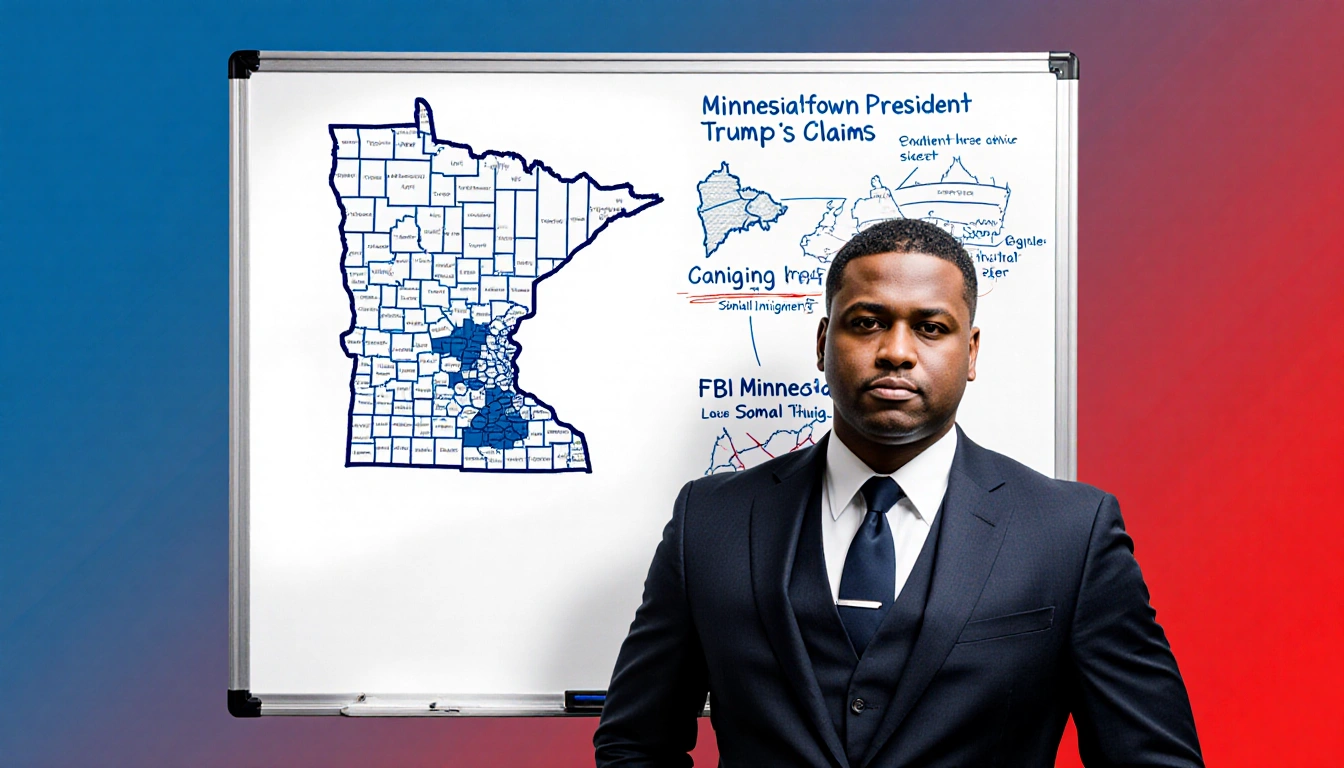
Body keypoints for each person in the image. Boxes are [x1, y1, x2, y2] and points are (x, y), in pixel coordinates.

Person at [594, 218, 1202, 767]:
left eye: (930, 328)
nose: (896, 352)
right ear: (822, 342)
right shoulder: (710, 521)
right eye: (868, 323)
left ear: (970, 352)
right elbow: (635, 744)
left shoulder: (1070, 533)